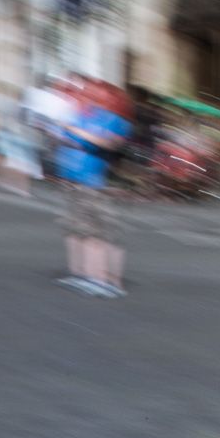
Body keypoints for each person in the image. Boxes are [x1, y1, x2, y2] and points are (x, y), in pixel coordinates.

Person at [55, 79, 132, 298]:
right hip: (74, 181)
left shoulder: (114, 120)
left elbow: (107, 143)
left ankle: (105, 279)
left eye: (93, 93)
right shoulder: (84, 116)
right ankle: (81, 273)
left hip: (95, 183)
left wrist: (75, 132)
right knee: (77, 229)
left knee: (99, 233)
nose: (86, 96)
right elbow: (66, 137)